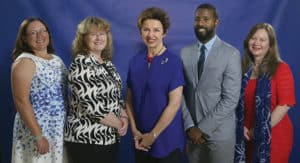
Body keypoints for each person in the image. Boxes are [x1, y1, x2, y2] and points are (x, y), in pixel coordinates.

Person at [180, 3, 242, 163]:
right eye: (197, 19)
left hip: (220, 135)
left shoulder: (231, 54)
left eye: (206, 19)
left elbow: (230, 99)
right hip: (192, 135)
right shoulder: (184, 53)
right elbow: (179, 94)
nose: (200, 23)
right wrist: (189, 126)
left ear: (216, 22)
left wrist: (202, 128)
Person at [64, 16, 128, 163]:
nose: (98, 38)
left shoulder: (107, 64)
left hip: (108, 137)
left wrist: (124, 117)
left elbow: (117, 97)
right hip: (87, 139)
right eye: (93, 34)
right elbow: (92, 106)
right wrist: (119, 124)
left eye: (102, 33)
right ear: (83, 38)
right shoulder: (81, 63)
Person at [125, 7, 185, 163]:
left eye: (156, 30)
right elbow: (129, 100)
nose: (151, 35)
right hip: (140, 140)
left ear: (164, 33)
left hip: (166, 140)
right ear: (141, 32)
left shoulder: (174, 62)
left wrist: (153, 136)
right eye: (146, 30)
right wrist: (134, 130)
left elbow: (174, 104)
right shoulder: (135, 62)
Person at [235, 23, 296, 163]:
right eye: (253, 38)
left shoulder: (281, 69)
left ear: (270, 45)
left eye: (262, 40)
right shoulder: (242, 69)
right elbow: (234, 102)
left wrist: (259, 129)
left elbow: (285, 105)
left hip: (273, 137)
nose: (257, 43)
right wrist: (241, 127)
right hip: (245, 136)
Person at [11, 18, 68, 163]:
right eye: (33, 33)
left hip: (58, 128)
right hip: (38, 130)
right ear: (24, 38)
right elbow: (21, 101)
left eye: (43, 31)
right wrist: (38, 135)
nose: (40, 36)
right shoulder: (25, 62)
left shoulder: (56, 59)